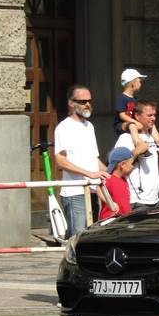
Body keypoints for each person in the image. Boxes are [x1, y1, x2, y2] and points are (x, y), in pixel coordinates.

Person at [54, 85, 110, 239]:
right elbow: (60, 161)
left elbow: (94, 158)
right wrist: (89, 174)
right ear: (71, 103)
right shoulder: (64, 127)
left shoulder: (89, 126)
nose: (87, 104)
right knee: (76, 238)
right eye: (83, 101)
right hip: (74, 192)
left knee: (91, 237)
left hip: (92, 191)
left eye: (89, 101)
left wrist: (110, 174)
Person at [114, 99, 159, 210]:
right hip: (136, 200)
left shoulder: (153, 137)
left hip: (155, 199)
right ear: (137, 116)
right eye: (149, 115)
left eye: (154, 115)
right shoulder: (126, 138)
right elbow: (118, 167)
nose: (153, 118)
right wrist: (136, 151)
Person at [113, 68, 159, 157]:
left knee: (151, 124)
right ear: (133, 83)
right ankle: (139, 146)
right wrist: (135, 122)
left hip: (133, 123)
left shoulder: (135, 99)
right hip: (122, 125)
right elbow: (122, 115)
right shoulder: (122, 98)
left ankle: (158, 142)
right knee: (132, 126)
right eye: (139, 82)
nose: (140, 84)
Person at [97, 146, 144, 220]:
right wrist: (110, 203)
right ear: (122, 164)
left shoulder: (124, 180)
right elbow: (98, 188)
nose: (132, 167)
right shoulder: (109, 178)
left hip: (123, 221)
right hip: (110, 222)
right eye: (131, 164)